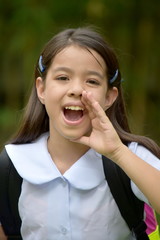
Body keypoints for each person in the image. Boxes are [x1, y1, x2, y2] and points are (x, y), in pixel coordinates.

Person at [0, 26, 160, 240]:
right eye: (63, 78)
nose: (76, 89)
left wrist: (117, 153)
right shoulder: (12, 166)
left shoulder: (132, 156)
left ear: (110, 97)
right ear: (41, 89)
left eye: (92, 81)